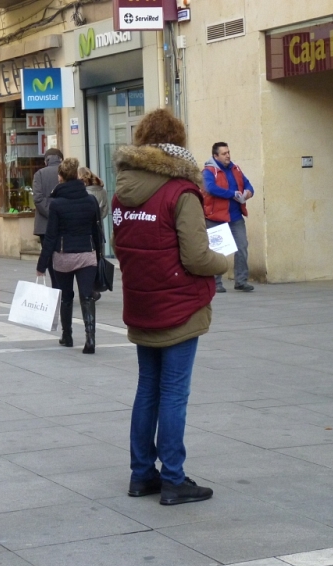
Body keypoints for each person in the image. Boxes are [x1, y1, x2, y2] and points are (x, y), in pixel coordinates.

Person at [112, 109, 227, 506]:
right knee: (174, 392)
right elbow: (197, 257)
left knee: (148, 389)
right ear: (177, 144)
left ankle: (142, 474)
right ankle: (174, 479)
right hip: (178, 305)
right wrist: (224, 261)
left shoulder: (121, 192)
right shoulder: (180, 191)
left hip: (142, 301)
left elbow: (119, 247)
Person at [36, 157, 102, 354]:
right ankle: (90, 338)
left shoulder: (57, 203)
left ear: (61, 177)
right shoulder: (90, 200)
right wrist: (98, 256)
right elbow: (97, 231)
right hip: (87, 255)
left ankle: (67, 335)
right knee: (87, 296)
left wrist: (42, 263)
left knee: (66, 297)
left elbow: (51, 236)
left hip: (63, 256)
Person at [202, 142, 255, 292]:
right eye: (224, 153)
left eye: (228, 152)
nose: (228, 156)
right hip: (216, 217)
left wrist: (249, 192)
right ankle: (216, 283)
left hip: (235, 216)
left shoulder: (235, 168)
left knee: (242, 246)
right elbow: (210, 188)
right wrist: (232, 194)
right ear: (215, 156)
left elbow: (248, 184)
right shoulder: (208, 171)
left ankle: (241, 281)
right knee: (217, 250)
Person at [33, 147, 63, 287]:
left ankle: (56, 286)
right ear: (60, 159)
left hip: (44, 224)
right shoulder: (65, 172)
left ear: (46, 161)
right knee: (64, 255)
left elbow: (38, 199)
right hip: (65, 222)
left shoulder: (39, 174)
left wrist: (51, 214)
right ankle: (63, 287)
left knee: (49, 256)